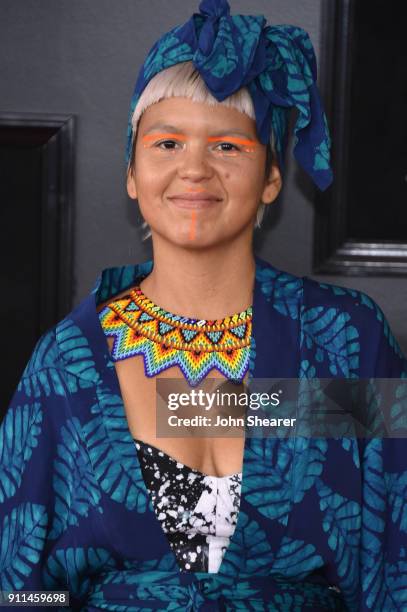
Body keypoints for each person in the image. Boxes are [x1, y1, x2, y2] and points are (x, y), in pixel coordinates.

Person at [1, 1, 406, 610]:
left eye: (227, 146)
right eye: (166, 143)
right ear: (132, 173)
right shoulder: (68, 361)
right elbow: (21, 595)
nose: (193, 169)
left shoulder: (342, 340)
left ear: (271, 176)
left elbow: (393, 563)